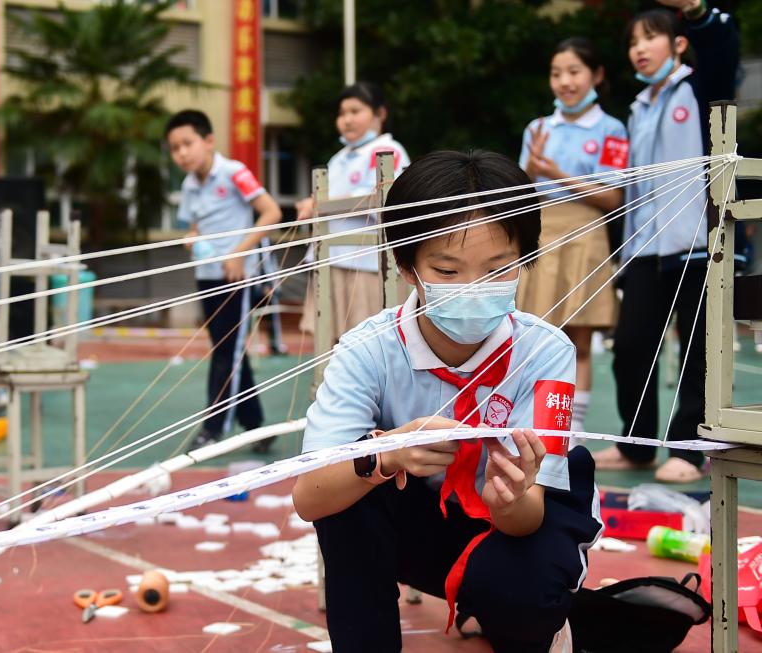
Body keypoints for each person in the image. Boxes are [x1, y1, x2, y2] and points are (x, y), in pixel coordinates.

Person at [293, 151, 600, 653]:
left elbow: (527, 519)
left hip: (501, 533)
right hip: (417, 530)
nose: (472, 290)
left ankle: (513, 615)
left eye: (497, 269)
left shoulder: (545, 352)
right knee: (351, 479)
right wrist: (386, 452)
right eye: (448, 269)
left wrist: (513, 500)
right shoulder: (367, 350)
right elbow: (309, 498)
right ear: (407, 266)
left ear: (524, 260)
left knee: (529, 597)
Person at [595, 0, 739, 483]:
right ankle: (636, 445)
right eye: (633, 42)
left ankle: (689, 449)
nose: (639, 49)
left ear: (678, 43)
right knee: (631, 346)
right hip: (645, 248)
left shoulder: (698, 86)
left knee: (697, 349)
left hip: (700, 243)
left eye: (650, 37)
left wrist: (697, 10)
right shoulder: (638, 108)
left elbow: (723, 47)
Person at [517, 37, 628, 433]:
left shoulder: (612, 128)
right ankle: (531, 426)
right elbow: (520, 193)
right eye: (556, 73)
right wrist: (530, 169)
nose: (564, 81)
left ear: (596, 75)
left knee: (579, 342)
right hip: (542, 236)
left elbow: (614, 196)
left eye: (574, 71)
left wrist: (557, 175)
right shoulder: (537, 128)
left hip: (585, 235)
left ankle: (571, 433)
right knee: (535, 338)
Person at [165, 110, 283, 450]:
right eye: (175, 148)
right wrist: (192, 237)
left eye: (187, 144)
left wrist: (238, 254)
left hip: (236, 276)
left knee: (226, 352)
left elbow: (272, 212)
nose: (182, 153)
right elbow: (195, 226)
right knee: (226, 350)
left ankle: (213, 428)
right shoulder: (189, 185)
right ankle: (255, 425)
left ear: (208, 141)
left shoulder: (234, 172)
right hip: (207, 275)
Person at [295, 82, 411, 343]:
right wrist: (313, 204)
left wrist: (321, 204)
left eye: (355, 111)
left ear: (379, 114)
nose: (346, 120)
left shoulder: (389, 151)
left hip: (366, 264)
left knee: (368, 342)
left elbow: (382, 200)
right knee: (332, 341)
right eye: (341, 113)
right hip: (331, 259)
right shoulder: (339, 158)